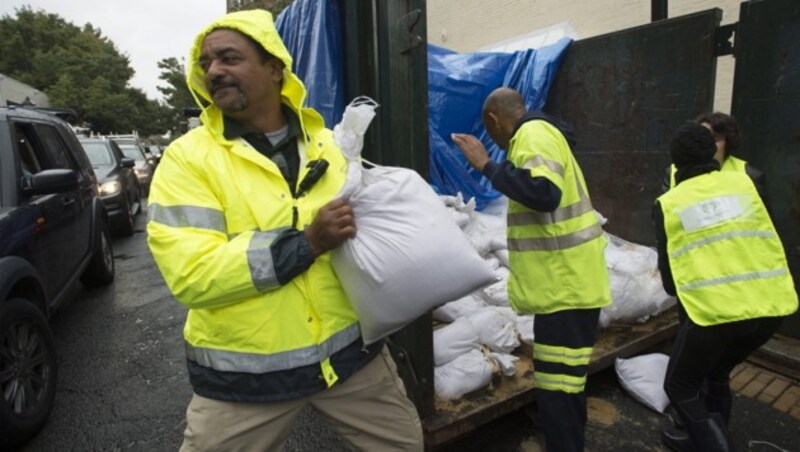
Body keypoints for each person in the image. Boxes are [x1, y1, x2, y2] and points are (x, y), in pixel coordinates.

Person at [146, 10, 423, 451]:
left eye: (229, 58)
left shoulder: (328, 145)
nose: (214, 71)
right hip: (245, 380)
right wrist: (309, 243)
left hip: (349, 360)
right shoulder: (187, 160)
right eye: (206, 63)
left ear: (275, 68)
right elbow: (192, 273)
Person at [452, 87, 611, 452]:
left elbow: (544, 193)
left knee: (558, 392)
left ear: (494, 120)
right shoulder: (542, 134)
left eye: (489, 133)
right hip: (566, 288)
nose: (493, 141)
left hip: (565, 291)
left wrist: (487, 165)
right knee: (565, 389)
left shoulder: (532, 135)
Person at [653, 123, 797, 451]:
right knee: (717, 373)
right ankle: (703, 437)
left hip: (714, 313)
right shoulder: (746, 185)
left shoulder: (670, 203)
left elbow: (670, 281)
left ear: (675, 161)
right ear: (713, 153)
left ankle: (713, 445)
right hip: (771, 307)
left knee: (680, 386)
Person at [661, 112, 766, 196]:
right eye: (700, 137)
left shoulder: (749, 175)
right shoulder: (672, 172)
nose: (707, 142)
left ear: (728, 142)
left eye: (714, 138)